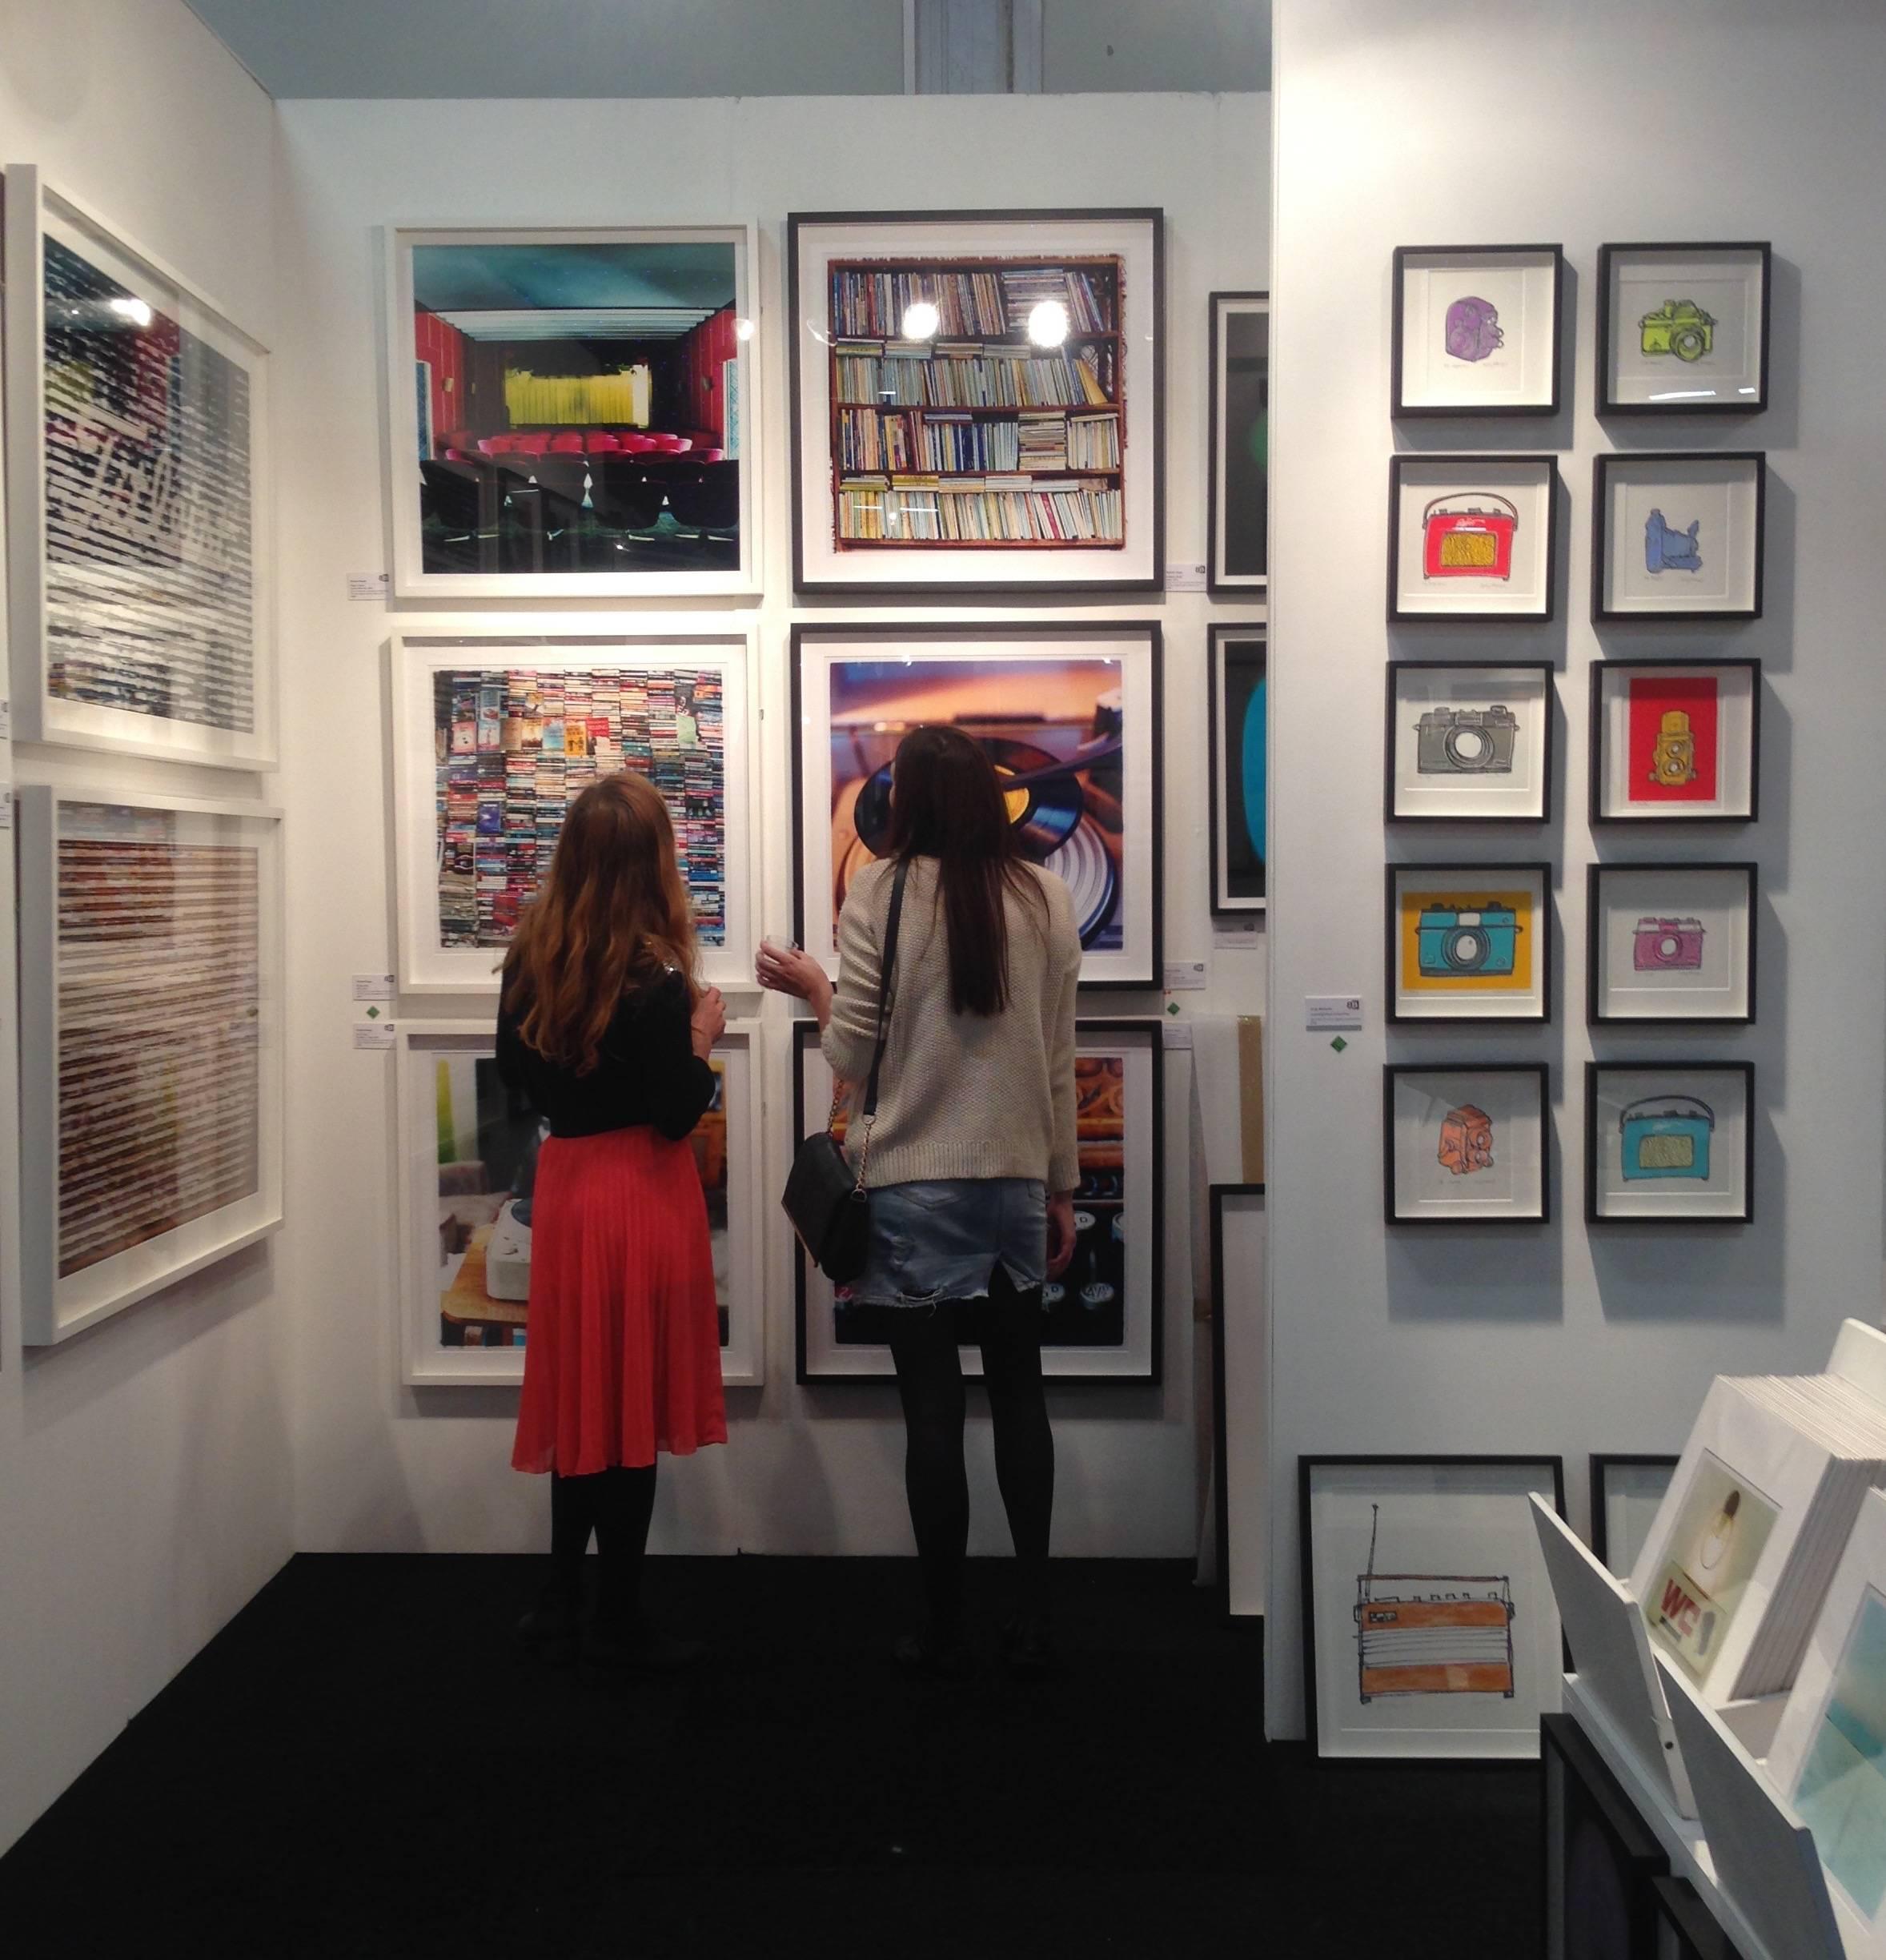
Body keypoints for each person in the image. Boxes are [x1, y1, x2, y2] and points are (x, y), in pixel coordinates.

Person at [757, 725, 1082, 1678]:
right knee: (1022, 1401)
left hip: (911, 1186)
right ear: (989, 796)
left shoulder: (882, 889)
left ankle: (943, 1628)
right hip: (1016, 1185)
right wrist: (1059, 1189)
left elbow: (852, 1053)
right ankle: (1033, 1609)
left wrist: (819, 990)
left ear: (908, 801)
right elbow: (1057, 1061)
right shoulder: (1048, 897)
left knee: (933, 1417)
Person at [497, 770, 728, 1671]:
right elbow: (676, 1111)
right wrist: (702, 1036)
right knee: (627, 1408)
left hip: (570, 1190)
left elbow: (517, 1082)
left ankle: (559, 1599)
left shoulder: (529, 964)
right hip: (641, 1191)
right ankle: (622, 1615)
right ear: (651, 864)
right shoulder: (658, 980)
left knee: (582, 1397)